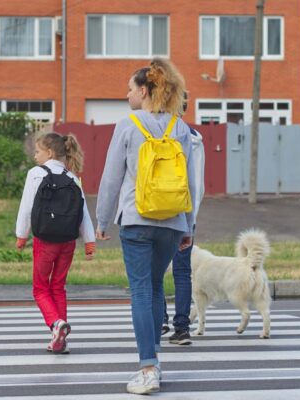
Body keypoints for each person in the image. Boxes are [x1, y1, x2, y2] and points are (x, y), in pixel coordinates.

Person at [95, 59, 197, 395]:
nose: (126, 96)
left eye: (129, 89)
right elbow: (190, 183)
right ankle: (155, 361)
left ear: (144, 90)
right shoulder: (180, 128)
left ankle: (148, 367)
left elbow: (111, 177)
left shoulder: (127, 125)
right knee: (154, 287)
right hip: (171, 222)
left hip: (137, 219)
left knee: (140, 290)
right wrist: (188, 226)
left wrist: (101, 219)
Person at [15, 132, 96, 355]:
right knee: (58, 287)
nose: (35, 156)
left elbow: (27, 207)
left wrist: (22, 235)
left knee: (40, 288)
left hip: (45, 241)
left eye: (38, 151)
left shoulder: (36, 174)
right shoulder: (72, 178)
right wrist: (89, 242)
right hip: (68, 242)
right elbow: (84, 213)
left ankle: (56, 325)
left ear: (49, 153)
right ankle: (60, 339)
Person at [160, 91, 205, 346]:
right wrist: (192, 219)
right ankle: (182, 327)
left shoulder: (158, 134)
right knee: (182, 272)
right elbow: (197, 185)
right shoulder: (196, 138)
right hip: (186, 213)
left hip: (159, 212)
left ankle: (160, 320)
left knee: (155, 271)